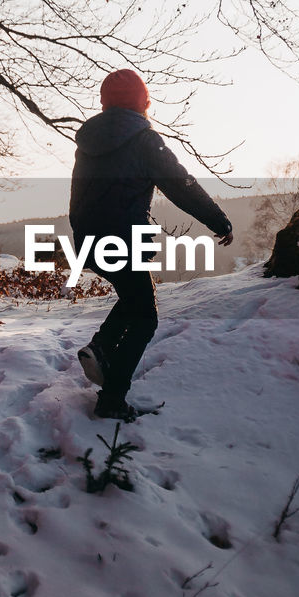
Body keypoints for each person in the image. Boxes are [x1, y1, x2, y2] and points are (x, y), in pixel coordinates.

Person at [70, 69, 233, 421]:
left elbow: (77, 199)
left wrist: (83, 237)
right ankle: (112, 398)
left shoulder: (87, 143)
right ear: (143, 101)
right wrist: (218, 220)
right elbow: (181, 185)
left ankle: (100, 349)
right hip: (123, 241)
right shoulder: (144, 139)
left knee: (133, 300)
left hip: (89, 239)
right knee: (146, 317)